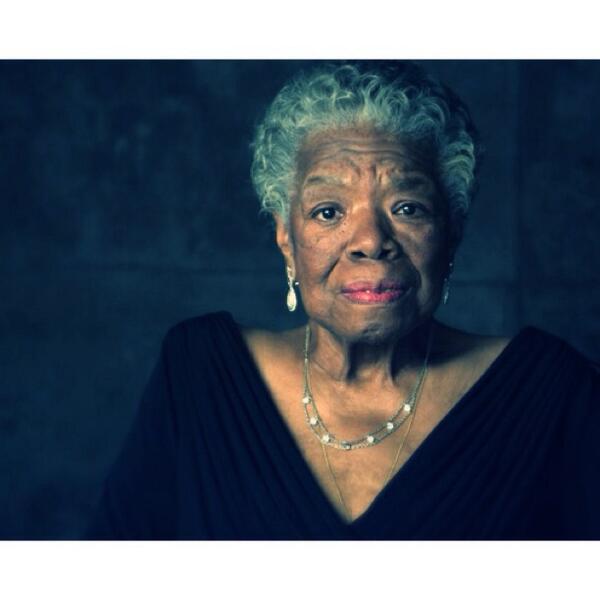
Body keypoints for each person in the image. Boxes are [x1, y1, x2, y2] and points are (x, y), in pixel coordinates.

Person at [86, 61, 599, 540]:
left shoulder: (554, 395)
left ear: (451, 232)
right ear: (286, 237)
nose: (371, 241)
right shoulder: (197, 374)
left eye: (407, 207)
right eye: (328, 211)